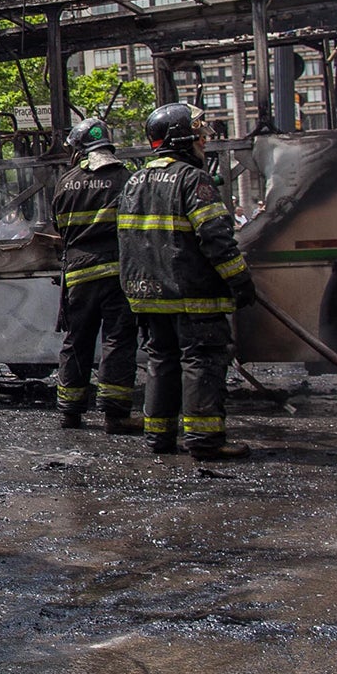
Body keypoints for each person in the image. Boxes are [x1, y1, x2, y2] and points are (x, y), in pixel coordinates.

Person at [117, 102, 254, 462]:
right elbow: (216, 236)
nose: (203, 142)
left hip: (148, 294)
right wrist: (239, 279)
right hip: (192, 293)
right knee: (203, 360)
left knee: (161, 360)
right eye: (198, 135)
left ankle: (158, 436)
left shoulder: (135, 181)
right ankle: (205, 440)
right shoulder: (192, 179)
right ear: (180, 138)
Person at [51, 118, 139, 434]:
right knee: (117, 340)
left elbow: (59, 228)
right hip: (117, 273)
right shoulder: (127, 179)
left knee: (77, 340)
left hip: (77, 274)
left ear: (79, 150)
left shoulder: (65, 182)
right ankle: (116, 415)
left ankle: (69, 411)